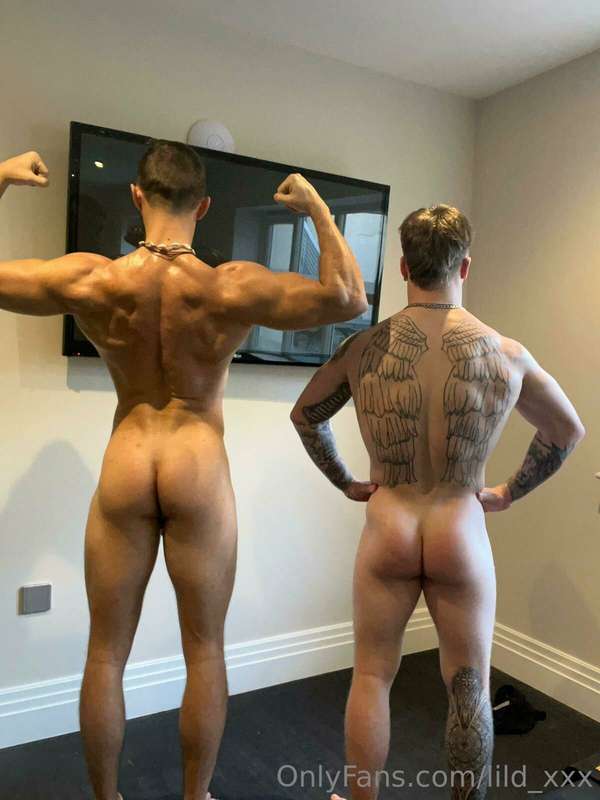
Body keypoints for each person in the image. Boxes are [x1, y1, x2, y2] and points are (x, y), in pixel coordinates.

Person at [0, 145, 367, 800]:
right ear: (203, 207)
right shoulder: (228, 286)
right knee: (205, 650)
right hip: (197, 460)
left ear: (138, 197)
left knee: (105, 653)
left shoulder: (94, 279)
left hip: (128, 456)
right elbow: (347, 298)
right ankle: (196, 797)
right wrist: (317, 209)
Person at [290, 204, 585, 800]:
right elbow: (566, 431)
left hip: (389, 524)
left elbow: (306, 416)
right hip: (459, 528)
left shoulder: (362, 348)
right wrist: (508, 491)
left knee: (372, 676)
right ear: (465, 266)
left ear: (403, 267)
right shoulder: (505, 354)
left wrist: (346, 481)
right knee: (469, 686)